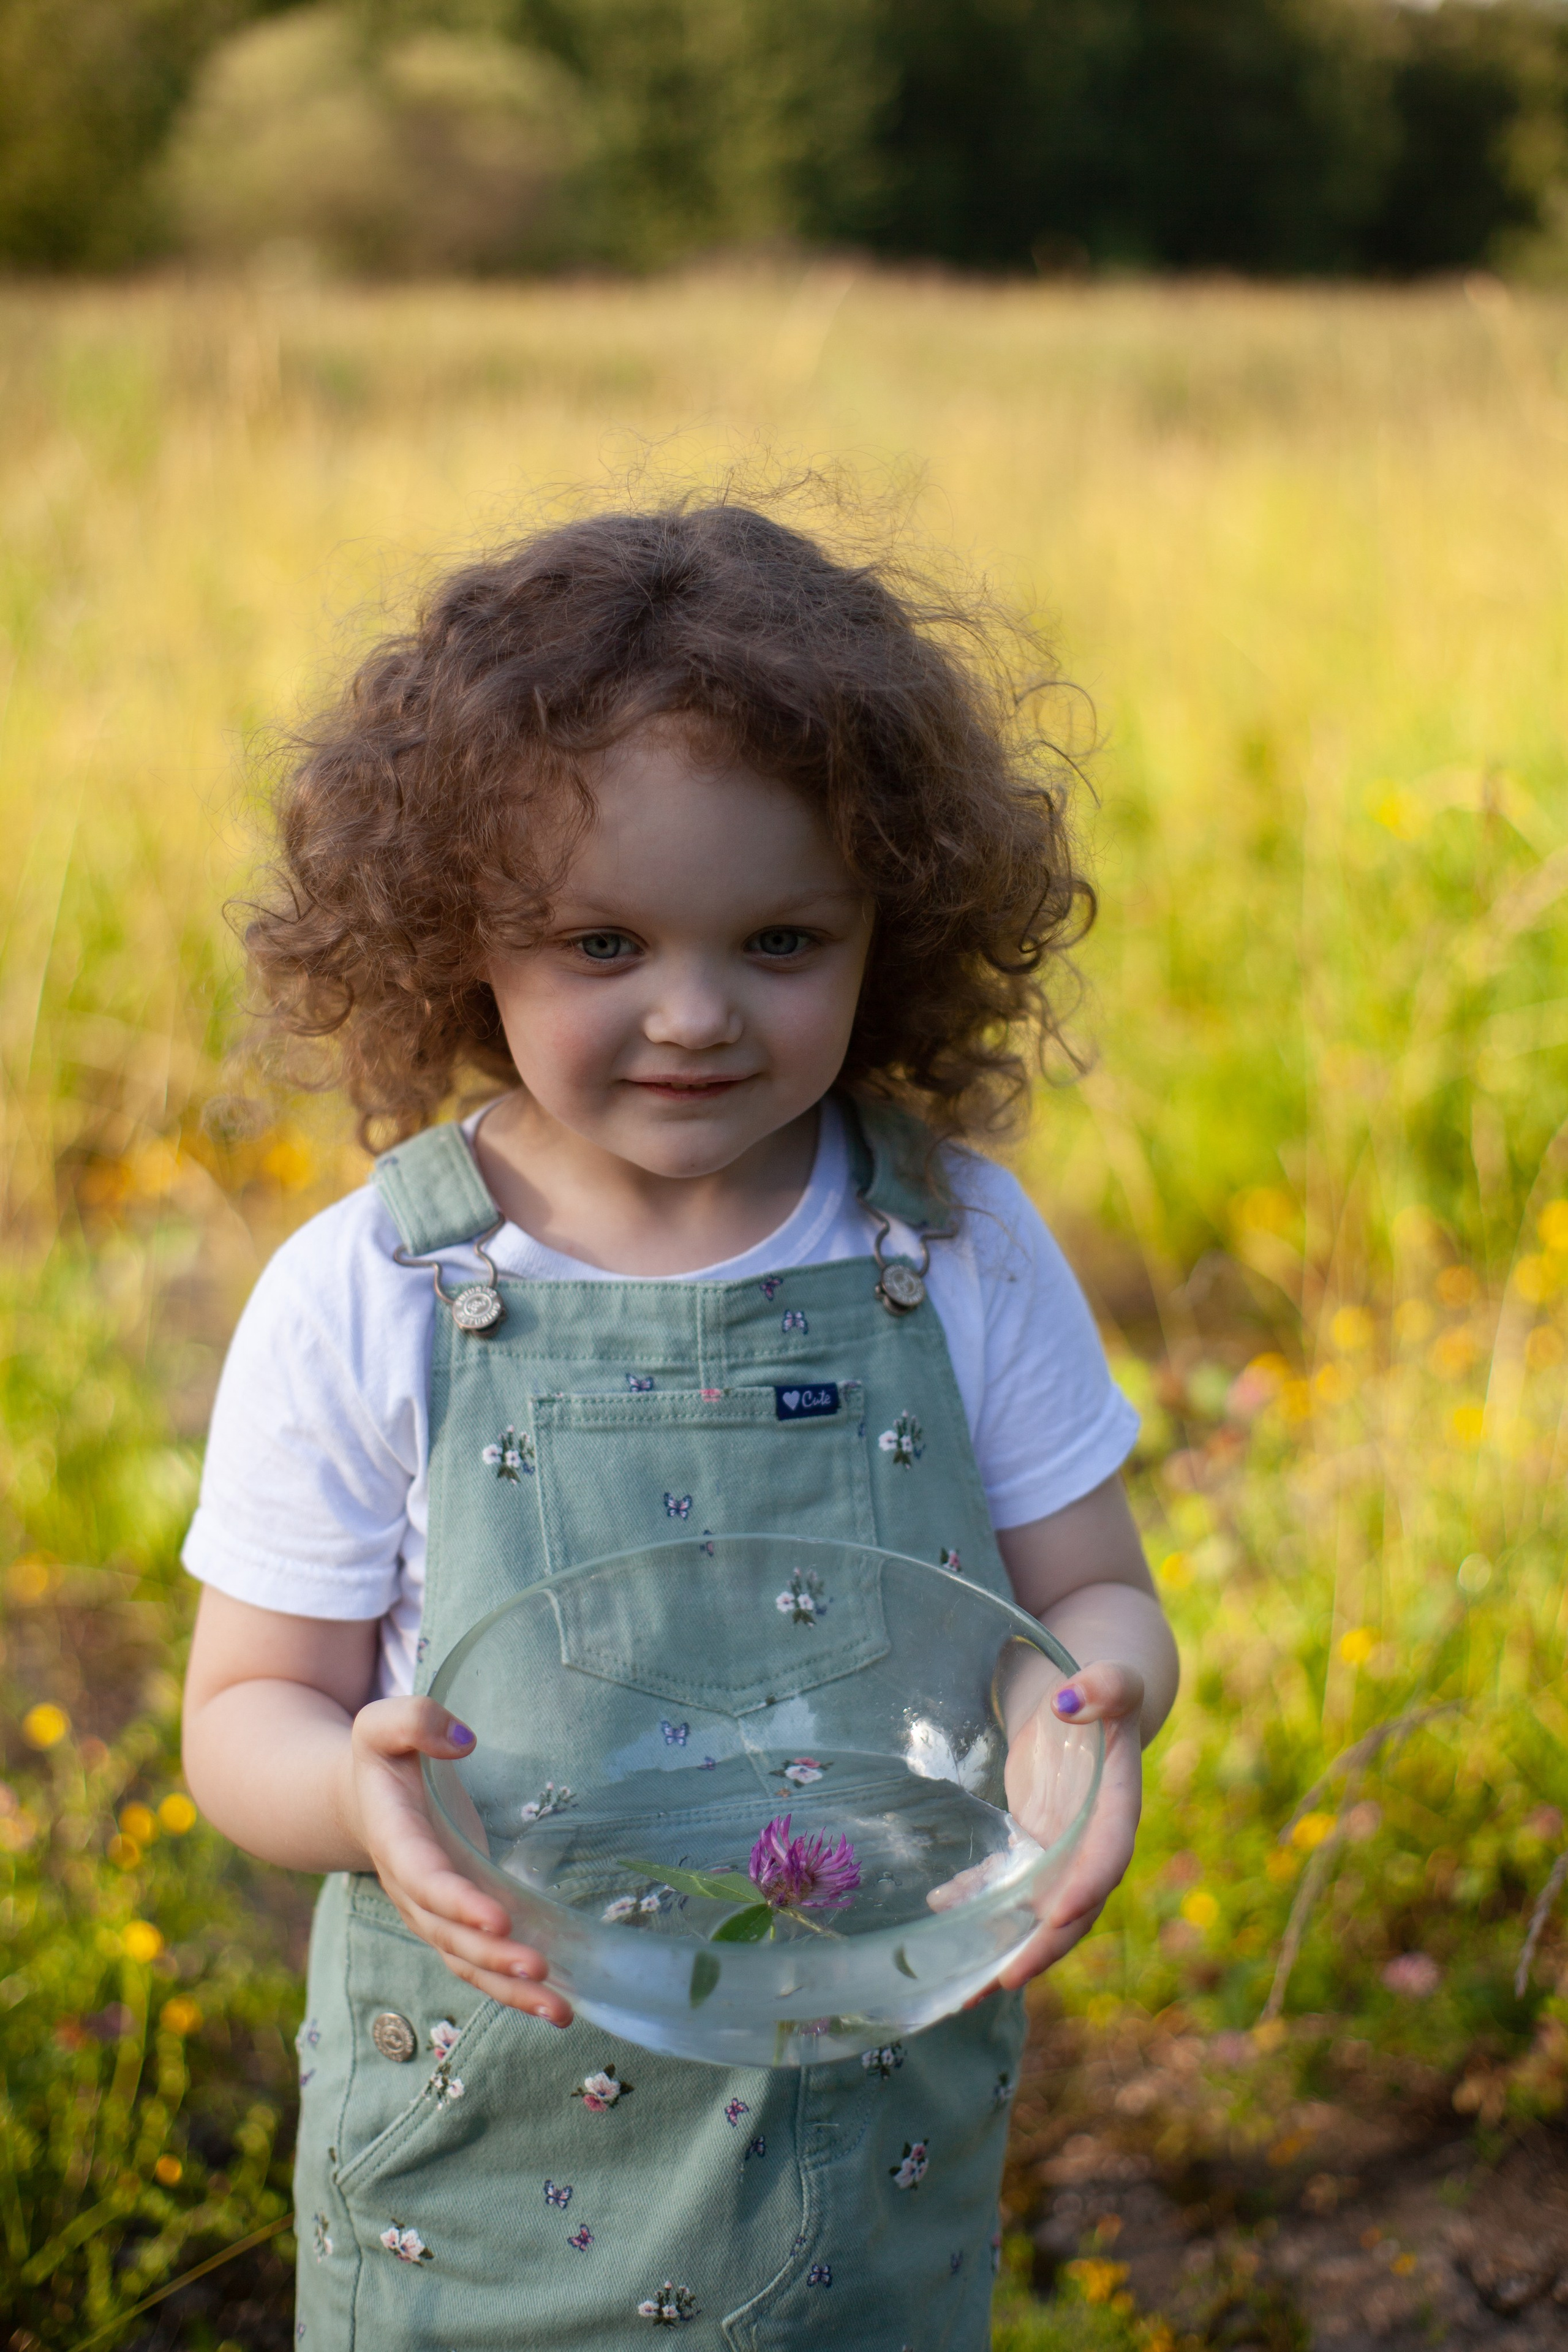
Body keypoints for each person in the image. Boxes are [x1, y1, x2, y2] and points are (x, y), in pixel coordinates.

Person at [179, 501, 1178, 2349]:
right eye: (602, 943)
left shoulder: (947, 1245)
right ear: (455, 935)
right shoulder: (373, 1292)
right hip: (483, 2156)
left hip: (866, 2130)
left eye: (783, 939)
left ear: (901, 921)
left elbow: (1095, 1604)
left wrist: (1084, 1723)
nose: (696, 1015)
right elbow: (246, 1712)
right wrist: (355, 1793)